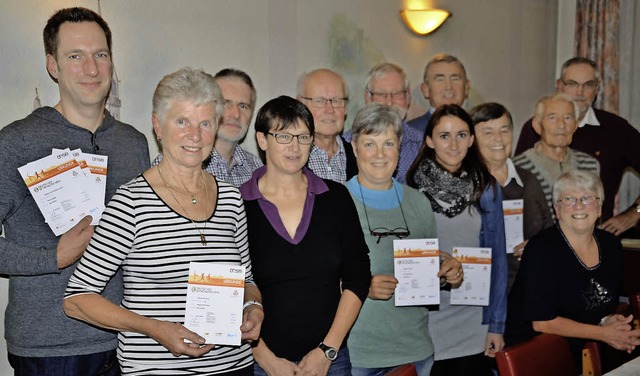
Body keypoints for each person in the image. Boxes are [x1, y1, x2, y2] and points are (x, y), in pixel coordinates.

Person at [64, 67, 262, 375]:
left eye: (205, 123)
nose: (194, 136)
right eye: (182, 121)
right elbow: (77, 298)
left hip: (232, 367)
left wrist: (253, 307)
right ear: (158, 125)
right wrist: (154, 329)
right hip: (158, 369)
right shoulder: (131, 202)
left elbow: (246, 281)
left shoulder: (231, 199)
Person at [0, 7, 150, 375]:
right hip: (49, 349)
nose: (92, 68)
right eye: (75, 56)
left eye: (101, 54)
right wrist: (54, 256)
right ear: (53, 65)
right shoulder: (16, 141)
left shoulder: (134, 143)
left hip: (128, 339)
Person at [240, 96, 371, 376]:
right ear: (262, 140)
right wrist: (265, 359)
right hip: (260, 363)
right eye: (284, 136)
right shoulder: (237, 203)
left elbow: (358, 276)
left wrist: (327, 350)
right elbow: (230, 287)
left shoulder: (335, 197)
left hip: (331, 360)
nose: (295, 146)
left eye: (303, 136)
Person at [345, 103, 463, 376]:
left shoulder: (417, 202)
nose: (379, 154)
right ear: (354, 147)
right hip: (359, 352)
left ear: (399, 145)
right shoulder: (336, 201)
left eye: (388, 143)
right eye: (369, 143)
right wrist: (362, 287)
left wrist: (448, 272)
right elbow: (320, 280)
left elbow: (429, 266)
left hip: (415, 351)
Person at [407, 104, 507, 376]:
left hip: (473, 322)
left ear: (472, 139)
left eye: (462, 135)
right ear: (429, 140)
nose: (454, 144)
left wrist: (497, 325)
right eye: (444, 135)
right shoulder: (410, 189)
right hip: (425, 322)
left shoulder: (486, 188)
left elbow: (498, 260)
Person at [505, 171, 640, 371]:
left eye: (587, 198)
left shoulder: (611, 245)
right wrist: (604, 333)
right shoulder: (541, 249)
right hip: (537, 357)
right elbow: (543, 323)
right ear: (557, 210)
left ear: (600, 207)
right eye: (568, 199)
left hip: (582, 353)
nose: (578, 205)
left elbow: (597, 301)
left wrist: (608, 321)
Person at [515, 57, 640, 229]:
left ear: (597, 88)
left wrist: (635, 213)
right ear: (559, 85)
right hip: (539, 242)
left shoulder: (616, 129)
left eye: (588, 84)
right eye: (572, 84)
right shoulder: (535, 127)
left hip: (594, 240)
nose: (580, 92)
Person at [470, 102, 553, 292]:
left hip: (527, 287)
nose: (498, 139)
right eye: (488, 132)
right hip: (478, 290)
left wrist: (536, 247)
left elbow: (549, 233)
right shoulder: (466, 183)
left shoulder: (528, 179)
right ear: (472, 139)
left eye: (504, 130)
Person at [153, 68, 262, 187]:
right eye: (225, 103)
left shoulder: (257, 169)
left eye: (243, 106)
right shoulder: (177, 163)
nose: (235, 114)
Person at [513, 93, 600, 221]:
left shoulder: (590, 165)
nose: (561, 125)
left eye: (568, 118)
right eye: (552, 118)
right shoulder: (518, 168)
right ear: (537, 126)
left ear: (576, 125)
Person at [296, 68, 357, 183]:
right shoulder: (290, 158)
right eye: (319, 101)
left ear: (346, 107)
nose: (329, 110)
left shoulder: (360, 158)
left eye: (336, 100)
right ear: (300, 105)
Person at [407, 54, 471, 137]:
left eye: (455, 79)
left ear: (466, 87)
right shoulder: (411, 132)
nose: (449, 87)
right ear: (425, 89)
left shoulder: (478, 128)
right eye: (440, 80)